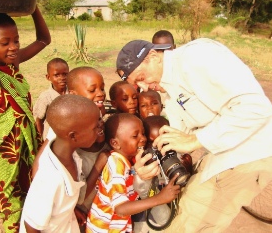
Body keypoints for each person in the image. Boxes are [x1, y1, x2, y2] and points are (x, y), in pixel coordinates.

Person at [115, 38, 272, 232]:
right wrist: (147, 170)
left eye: (141, 77)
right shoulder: (169, 89)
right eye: (137, 85)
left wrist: (196, 140)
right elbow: (180, 135)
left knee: (185, 225)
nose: (144, 87)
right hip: (221, 155)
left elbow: (256, 108)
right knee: (181, 209)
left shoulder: (196, 58)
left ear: (153, 56)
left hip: (246, 155)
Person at [0, 6, 50, 231]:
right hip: (1, 155)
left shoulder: (11, 64)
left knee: (34, 199)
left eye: (16, 40)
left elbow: (44, 39)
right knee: (12, 209)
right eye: (5, 43)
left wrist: (33, 8)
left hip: (26, 146)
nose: (14, 47)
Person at [31, 66, 110, 231]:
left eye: (102, 88)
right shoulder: (67, 120)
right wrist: (70, 207)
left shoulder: (99, 110)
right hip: (78, 194)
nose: (101, 93)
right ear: (74, 95)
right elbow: (40, 162)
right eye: (92, 89)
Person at [20, 94, 103, 232]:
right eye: (95, 127)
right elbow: (31, 225)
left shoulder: (72, 156)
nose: (100, 128)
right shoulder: (50, 178)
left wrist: (69, 209)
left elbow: (57, 200)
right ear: (73, 136)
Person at [86, 113, 181, 233]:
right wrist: (160, 198)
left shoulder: (131, 159)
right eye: (135, 136)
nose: (143, 139)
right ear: (115, 143)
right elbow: (121, 209)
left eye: (143, 133)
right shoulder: (116, 165)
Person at [33, 57, 69, 140]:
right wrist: (40, 141)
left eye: (65, 74)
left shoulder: (73, 92)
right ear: (48, 77)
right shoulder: (46, 97)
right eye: (57, 75)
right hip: (51, 139)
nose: (62, 78)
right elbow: (39, 121)